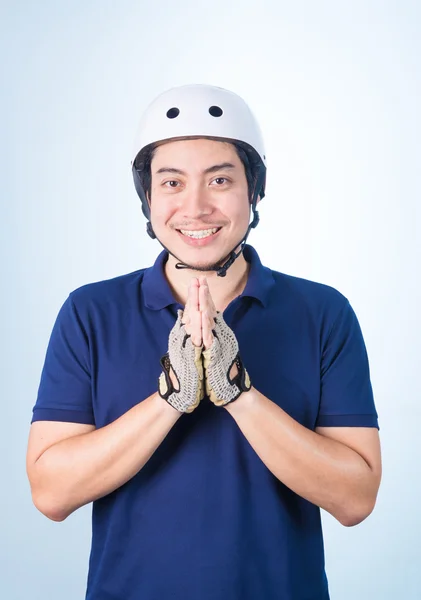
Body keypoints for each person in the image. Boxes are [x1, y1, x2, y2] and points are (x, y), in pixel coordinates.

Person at [26, 84, 382, 600]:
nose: (196, 207)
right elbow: (51, 492)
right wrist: (170, 399)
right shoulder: (90, 313)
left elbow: (356, 499)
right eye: (171, 182)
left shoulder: (322, 313)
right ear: (147, 198)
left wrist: (240, 395)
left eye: (220, 179)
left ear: (254, 192)